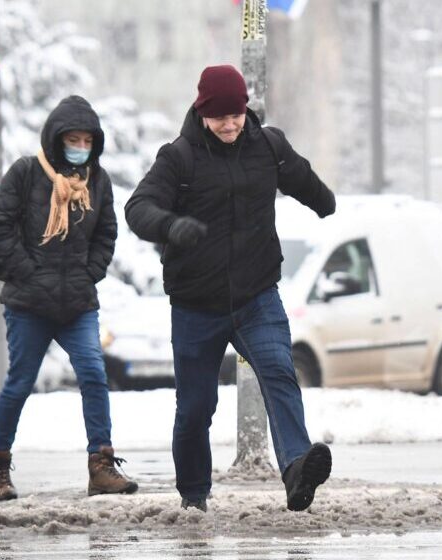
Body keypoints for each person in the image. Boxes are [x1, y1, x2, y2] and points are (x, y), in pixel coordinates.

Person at [124, 65, 336, 512]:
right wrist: (169, 224)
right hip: (196, 305)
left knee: (279, 371)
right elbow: (137, 207)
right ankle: (194, 495)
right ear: (202, 112)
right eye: (219, 117)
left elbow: (297, 175)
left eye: (235, 114)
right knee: (196, 408)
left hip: (256, 295)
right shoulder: (178, 157)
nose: (229, 124)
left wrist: (322, 199)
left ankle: (297, 468)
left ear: (245, 109)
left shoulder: (268, 146)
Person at [0, 95, 137, 501]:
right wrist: (28, 272)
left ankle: (101, 465)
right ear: (55, 138)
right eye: (73, 139)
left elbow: (106, 234)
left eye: (88, 140)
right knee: (20, 382)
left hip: (77, 304)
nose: (80, 147)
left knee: (93, 374)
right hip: (29, 304)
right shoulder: (27, 173)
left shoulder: (97, 181)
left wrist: (90, 273)